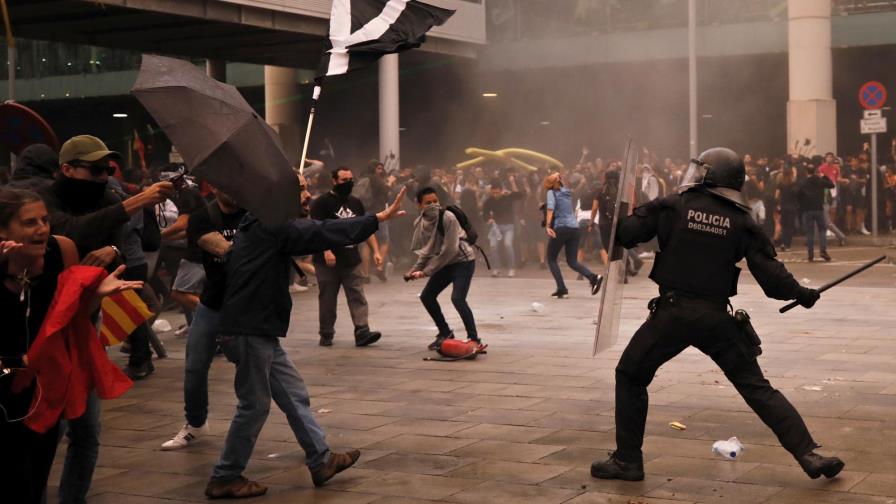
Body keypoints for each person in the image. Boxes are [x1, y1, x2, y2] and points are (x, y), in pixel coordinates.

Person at [591, 147, 844, 482]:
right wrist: (802, 293)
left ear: (708, 174)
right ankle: (809, 454)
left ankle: (627, 462)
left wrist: (619, 210)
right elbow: (772, 278)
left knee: (630, 375)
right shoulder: (742, 220)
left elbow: (626, 234)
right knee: (756, 386)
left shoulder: (674, 204)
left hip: (673, 313)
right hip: (715, 318)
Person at [205, 178, 406, 499]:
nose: (307, 194)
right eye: (299, 189)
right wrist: (376, 219)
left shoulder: (255, 225)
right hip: (249, 328)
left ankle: (320, 459)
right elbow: (321, 231)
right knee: (254, 406)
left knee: (294, 394)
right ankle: (225, 476)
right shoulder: (271, 225)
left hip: (259, 328)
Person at [40, 135, 173, 504]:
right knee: (51, 425)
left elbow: (126, 254)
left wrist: (112, 249)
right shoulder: (46, 201)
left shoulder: (108, 199)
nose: (103, 176)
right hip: (46, 325)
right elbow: (69, 230)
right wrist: (138, 201)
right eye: (94, 169)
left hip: (88, 322)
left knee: (87, 428)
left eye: (107, 169)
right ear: (67, 169)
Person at [0, 187, 142, 504]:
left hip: (44, 388)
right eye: (29, 222)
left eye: (44, 220)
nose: (41, 228)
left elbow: (72, 316)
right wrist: (20, 362)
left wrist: (96, 295)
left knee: (35, 479)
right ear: (3, 231)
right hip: (4, 374)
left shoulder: (60, 251)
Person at [161, 187, 246, 450]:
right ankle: (195, 423)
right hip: (211, 305)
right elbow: (227, 252)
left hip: (245, 307)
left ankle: (257, 420)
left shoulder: (254, 215)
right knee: (195, 366)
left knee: (260, 369)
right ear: (216, 187)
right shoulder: (203, 216)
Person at [310, 167, 383, 347]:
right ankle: (326, 333)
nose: (348, 183)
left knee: (357, 294)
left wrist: (376, 251)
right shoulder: (321, 203)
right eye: (344, 180)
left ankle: (362, 330)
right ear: (334, 181)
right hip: (328, 261)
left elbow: (365, 227)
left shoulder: (356, 203)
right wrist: (327, 251)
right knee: (327, 298)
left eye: (351, 179)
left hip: (351, 258)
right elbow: (316, 229)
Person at [407, 186, 482, 351]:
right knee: (427, 296)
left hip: (463, 262)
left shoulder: (448, 217)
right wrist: (414, 269)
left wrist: (426, 271)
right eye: (428, 203)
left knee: (458, 299)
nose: (433, 205)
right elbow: (427, 249)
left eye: (435, 201)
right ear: (419, 205)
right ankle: (445, 332)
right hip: (445, 263)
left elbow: (450, 249)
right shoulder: (422, 222)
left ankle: (474, 339)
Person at [543, 172, 602, 298]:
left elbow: (550, 208)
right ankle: (593, 277)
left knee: (551, 259)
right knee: (572, 260)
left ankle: (561, 288)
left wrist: (548, 225)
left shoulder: (551, 192)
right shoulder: (567, 192)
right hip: (574, 228)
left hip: (561, 227)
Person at [481, 175, 523, 277]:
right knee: (493, 246)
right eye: (493, 192)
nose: (495, 194)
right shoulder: (489, 200)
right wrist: (488, 219)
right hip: (496, 227)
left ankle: (511, 268)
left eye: (497, 192)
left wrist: (511, 191)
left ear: (501, 190)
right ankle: (496, 269)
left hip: (509, 226)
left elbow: (520, 195)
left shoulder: (507, 196)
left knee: (508, 245)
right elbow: (485, 214)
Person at [797, 164, 835, 262]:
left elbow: (797, 193)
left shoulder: (803, 182)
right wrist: (824, 176)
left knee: (809, 232)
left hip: (807, 209)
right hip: (818, 208)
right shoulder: (819, 180)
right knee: (822, 229)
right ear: (815, 171)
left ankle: (810, 254)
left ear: (806, 172)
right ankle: (823, 250)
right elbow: (831, 184)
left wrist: (801, 204)